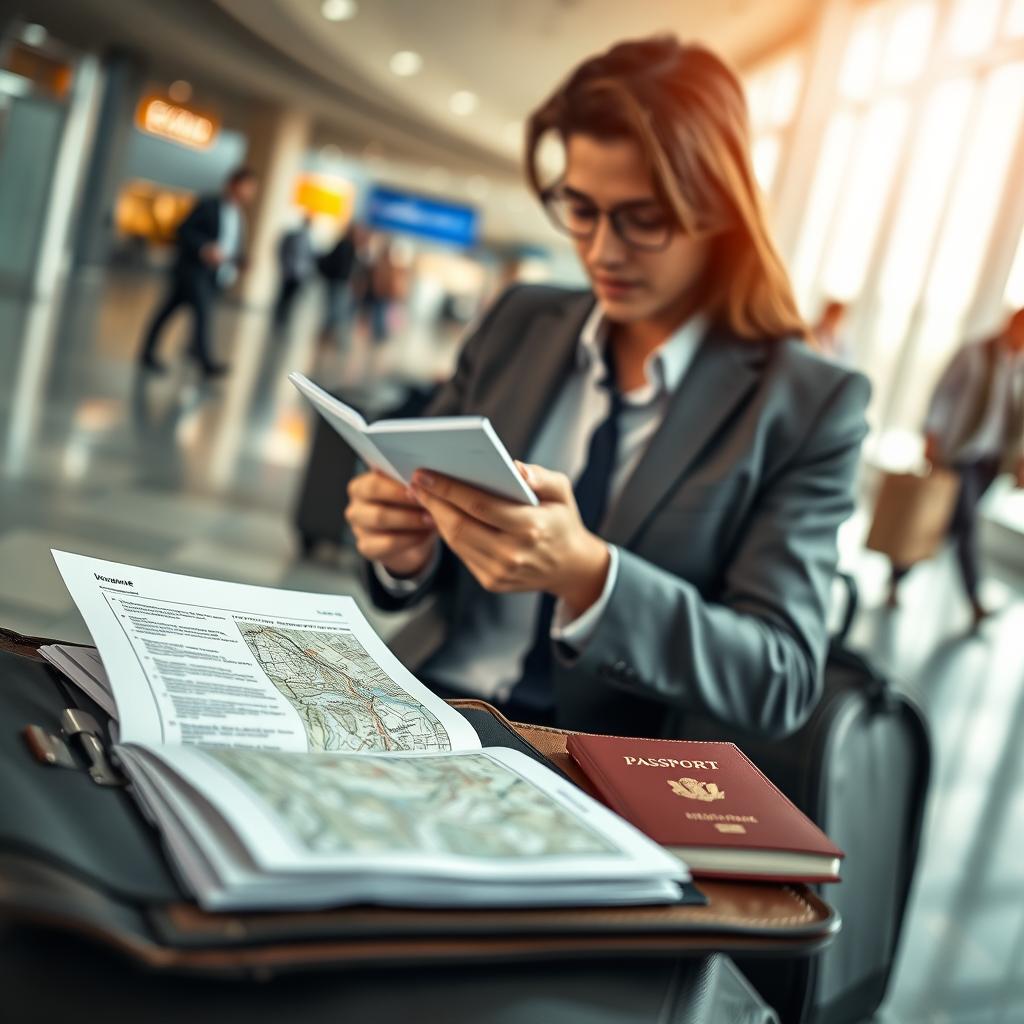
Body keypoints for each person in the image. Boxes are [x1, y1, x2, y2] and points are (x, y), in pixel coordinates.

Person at [345, 36, 870, 738]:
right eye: (582, 209)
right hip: (428, 705)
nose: (602, 250)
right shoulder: (518, 321)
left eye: (643, 219)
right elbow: (420, 543)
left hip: (603, 768)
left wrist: (591, 577)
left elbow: (781, 678)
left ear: (718, 214)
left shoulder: (807, 405)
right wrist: (406, 553)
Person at [887, 308, 1024, 624]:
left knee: (944, 527)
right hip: (960, 453)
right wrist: (931, 436)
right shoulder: (975, 353)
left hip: (990, 461)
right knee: (967, 524)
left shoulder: (1019, 367)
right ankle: (975, 599)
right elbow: (943, 393)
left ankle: (898, 574)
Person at [139, 167, 258, 377]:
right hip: (193, 271)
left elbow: (229, 247)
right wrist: (204, 248)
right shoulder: (208, 204)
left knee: (167, 311)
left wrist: (240, 261)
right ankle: (205, 363)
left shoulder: (238, 216)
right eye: (246, 186)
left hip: (214, 276)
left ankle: (154, 352)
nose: (249, 193)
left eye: (252, 189)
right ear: (233, 184)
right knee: (203, 314)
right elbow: (183, 230)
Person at [317, 223, 360, 343]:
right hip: (340, 281)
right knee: (335, 306)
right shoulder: (351, 247)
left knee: (333, 305)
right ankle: (329, 330)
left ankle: (329, 330)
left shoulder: (345, 245)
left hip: (337, 280)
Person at [273, 215, 315, 330]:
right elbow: (282, 250)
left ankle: (285, 320)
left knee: (292, 299)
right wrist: (283, 267)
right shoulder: (292, 235)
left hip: (300, 274)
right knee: (283, 297)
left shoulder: (309, 240)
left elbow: (310, 258)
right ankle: (278, 319)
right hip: (289, 271)